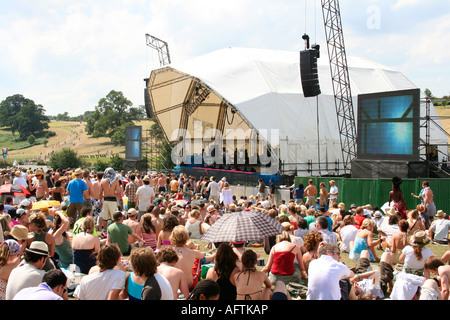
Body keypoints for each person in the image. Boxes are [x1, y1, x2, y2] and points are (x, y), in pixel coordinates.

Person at [170, 225, 215, 290]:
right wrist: (198, 251)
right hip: (190, 283)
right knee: (198, 259)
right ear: (186, 238)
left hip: (175, 283)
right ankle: (213, 255)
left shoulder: (170, 251)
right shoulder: (192, 252)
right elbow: (202, 255)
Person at [99, 167, 121, 232]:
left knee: (105, 218)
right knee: (114, 217)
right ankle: (114, 230)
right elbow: (118, 192)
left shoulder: (102, 181)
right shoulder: (115, 181)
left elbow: (100, 193)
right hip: (113, 200)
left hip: (105, 200)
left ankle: (105, 230)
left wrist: (100, 200)